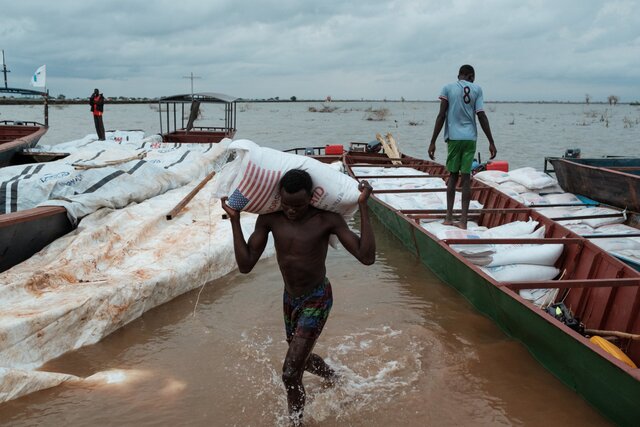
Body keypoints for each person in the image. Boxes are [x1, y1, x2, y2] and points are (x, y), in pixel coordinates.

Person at [221, 169, 375, 425]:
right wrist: (235, 220)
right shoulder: (270, 219)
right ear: (279, 198)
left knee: (290, 373)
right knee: (298, 358)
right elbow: (246, 264)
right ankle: (335, 377)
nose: (292, 211)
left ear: (311, 198)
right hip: (290, 299)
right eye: (287, 204)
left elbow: (366, 257)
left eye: (299, 205)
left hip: (317, 298)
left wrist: (364, 208)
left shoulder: (327, 220)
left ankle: (296, 423)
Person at [428, 64, 497, 230]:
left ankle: (449, 217)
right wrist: (491, 141)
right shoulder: (477, 89)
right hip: (470, 138)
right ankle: (464, 221)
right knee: (466, 178)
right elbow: (481, 115)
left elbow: (441, 115)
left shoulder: (447, 88)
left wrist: (433, 141)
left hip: (454, 139)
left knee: (452, 176)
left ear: (459, 75)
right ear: (471, 76)